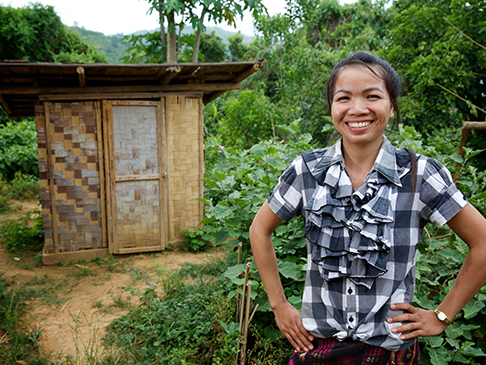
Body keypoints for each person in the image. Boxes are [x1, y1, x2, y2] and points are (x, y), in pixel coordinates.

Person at [249, 51, 486, 364]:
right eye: (343, 98)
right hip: (318, 349)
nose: (357, 109)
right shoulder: (306, 171)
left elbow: (483, 242)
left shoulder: (419, 175)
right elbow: (259, 229)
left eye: (372, 96)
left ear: (391, 106)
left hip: (390, 353)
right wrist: (279, 305)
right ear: (332, 108)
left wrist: (442, 316)